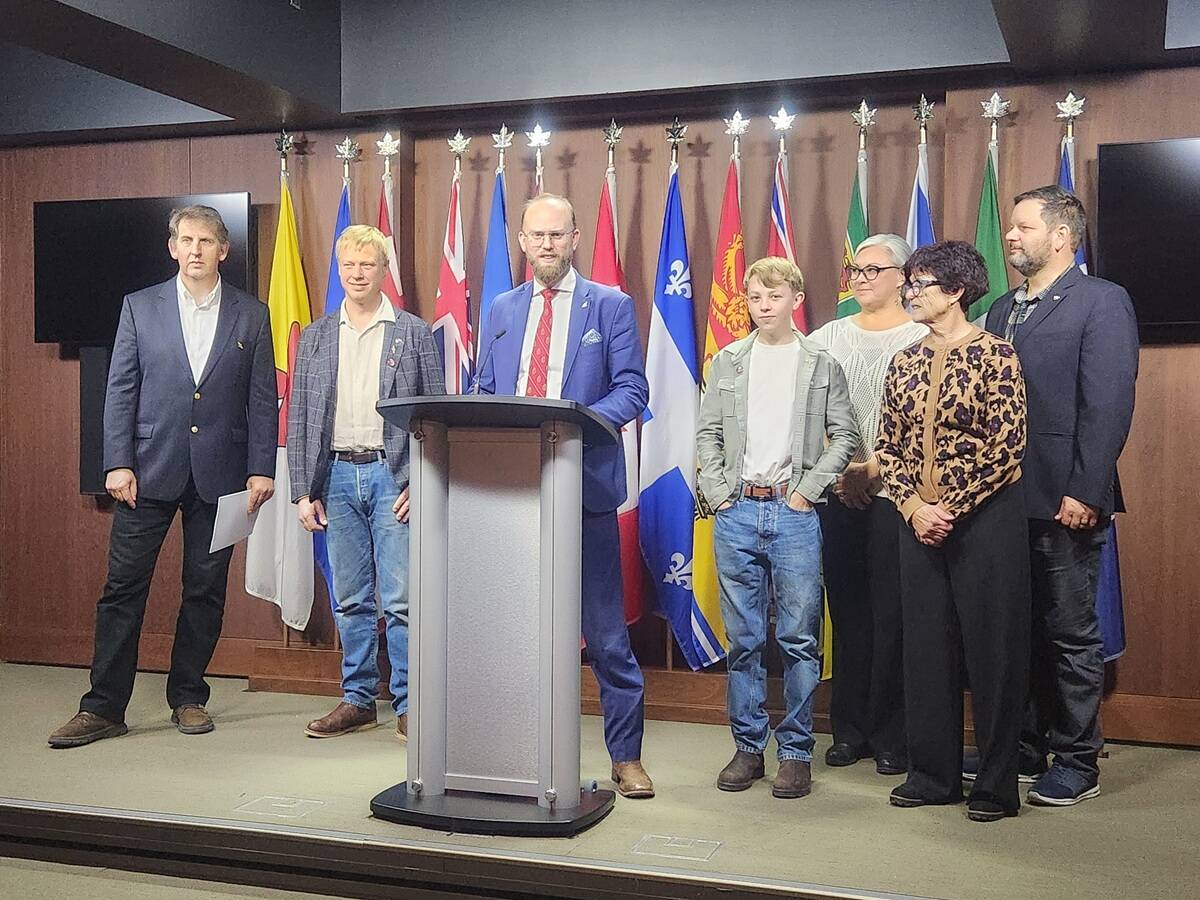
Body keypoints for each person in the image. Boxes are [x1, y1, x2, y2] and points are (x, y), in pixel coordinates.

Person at [49, 205, 277, 748]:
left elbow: (263, 399)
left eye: (206, 241)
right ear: (172, 247)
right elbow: (120, 388)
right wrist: (116, 461)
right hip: (145, 472)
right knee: (123, 589)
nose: (195, 250)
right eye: (185, 240)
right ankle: (103, 707)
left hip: (223, 476)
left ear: (224, 250)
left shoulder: (252, 314)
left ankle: (189, 696)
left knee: (205, 590)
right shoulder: (139, 307)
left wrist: (261, 469)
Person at [474, 193, 654, 798]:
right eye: (536, 236)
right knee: (511, 634)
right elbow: (481, 387)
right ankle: (512, 753)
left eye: (558, 235)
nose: (547, 245)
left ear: (575, 239)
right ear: (521, 241)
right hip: (510, 491)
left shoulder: (612, 306)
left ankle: (625, 758)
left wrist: (573, 424)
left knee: (605, 636)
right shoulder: (500, 306)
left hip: (584, 488)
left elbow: (633, 390)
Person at [983, 186, 1138, 806]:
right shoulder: (998, 308)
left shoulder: (1102, 301)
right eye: (1011, 228)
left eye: (1022, 228)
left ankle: (1077, 759)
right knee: (1014, 630)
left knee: (1071, 634)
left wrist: (1085, 487)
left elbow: (1108, 403)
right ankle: (1022, 746)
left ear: (1061, 236)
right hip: (1000, 501)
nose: (1011, 237)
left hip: (1066, 498)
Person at [876, 240, 1030, 822]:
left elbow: (1007, 447)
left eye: (920, 284)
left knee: (994, 651)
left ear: (958, 291)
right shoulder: (905, 360)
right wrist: (915, 506)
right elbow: (888, 445)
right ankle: (933, 775)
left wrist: (949, 508)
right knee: (926, 649)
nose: (908, 293)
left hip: (986, 523)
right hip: (915, 521)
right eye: (908, 283)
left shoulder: (997, 356)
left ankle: (994, 786)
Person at [697, 257, 859, 799]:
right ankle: (748, 747)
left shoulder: (819, 361)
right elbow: (708, 434)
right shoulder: (729, 360)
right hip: (738, 509)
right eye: (755, 297)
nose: (763, 306)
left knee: (797, 636)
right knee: (743, 638)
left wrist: (805, 491)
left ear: (795, 298)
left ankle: (794, 751)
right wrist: (720, 495)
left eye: (774, 297)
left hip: (792, 515)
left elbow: (844, 436)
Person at [287, 225, 445, 741]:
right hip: (333, 476)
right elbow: (301, 417)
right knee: (350, 598)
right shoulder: (314, 336)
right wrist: (300, 490)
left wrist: (423, 481)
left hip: (392, 477)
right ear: (339, 269)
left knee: (400, 600)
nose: (357, 274)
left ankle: (409, 703)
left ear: (384, 271)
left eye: (368, 265)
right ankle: (357, 699)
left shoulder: (413, 333)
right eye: (349, 265)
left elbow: (436, 415)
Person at [808, 234, 927, 776]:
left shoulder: (922, 335)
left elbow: (925, 422)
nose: (858, 277)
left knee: (894, 614)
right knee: (847, 613)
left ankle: (892, 734)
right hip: (837, 493)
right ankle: (848, 730)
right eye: (854, 268)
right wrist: (840, 474)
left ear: (903, 277)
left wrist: (875, 468)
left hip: (898, 496)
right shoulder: (828, 335)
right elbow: (807, 411)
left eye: (872, 269)